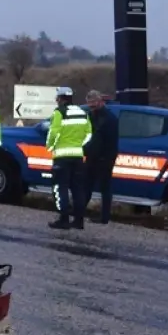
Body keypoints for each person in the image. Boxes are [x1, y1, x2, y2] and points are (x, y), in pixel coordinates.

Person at [46, 86, 93, 230]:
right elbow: (89, 134)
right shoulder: (82, 112)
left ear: (60, 99)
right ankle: (79, 221)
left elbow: (54, 132)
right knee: (78, 189)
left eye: (57, 98)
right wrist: (78, 145)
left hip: (62, 157)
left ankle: (64, 219)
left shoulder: (59, 112)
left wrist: (50, 146)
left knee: (60, 188)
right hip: (78, 156)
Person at [83, 90, 118, 224]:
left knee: (105, 188)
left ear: (100, 102)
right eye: (89, 105)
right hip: (92, 156)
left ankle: (104, 217)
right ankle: (79, 211)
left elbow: (110, 141)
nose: (91, 107)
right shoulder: (92, 116)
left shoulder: (109, 119)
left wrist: (107, 158)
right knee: (86, 185)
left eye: (93, 104)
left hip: (105, 158)